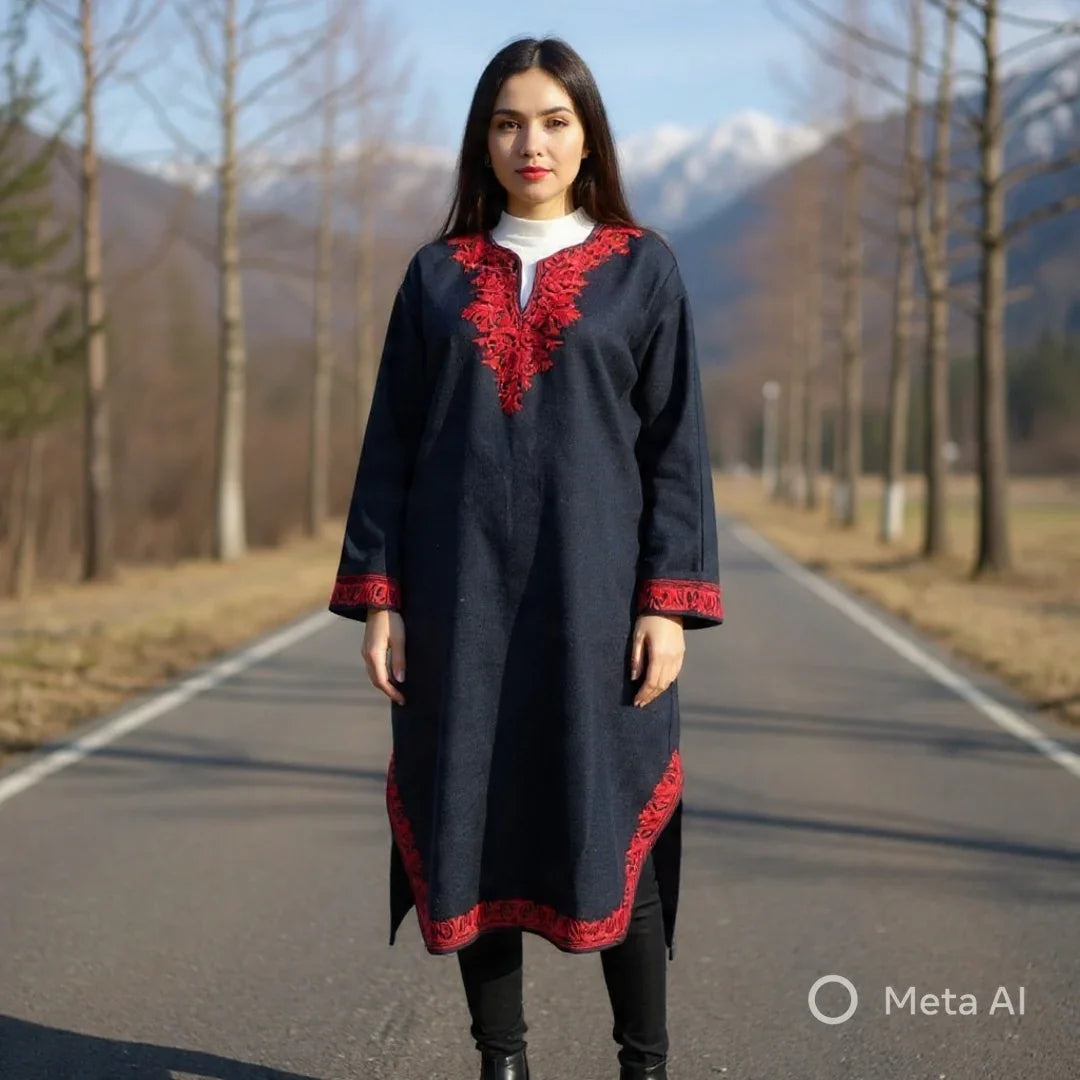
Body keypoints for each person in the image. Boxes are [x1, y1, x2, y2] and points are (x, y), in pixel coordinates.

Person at [328, 36, 723, 1080]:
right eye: (508, 122)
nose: (530, 142)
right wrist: (383, 599)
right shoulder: (435, 277)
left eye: (552, 120)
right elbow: (391, 450)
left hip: (598, 609)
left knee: (612, 824)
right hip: (460, 608)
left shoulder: (644, 268)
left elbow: (675, 448)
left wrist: (667, 604)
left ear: (587, 134)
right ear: (482, 139)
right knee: (476, 823)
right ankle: (501, 1063)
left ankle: (645, 1064)